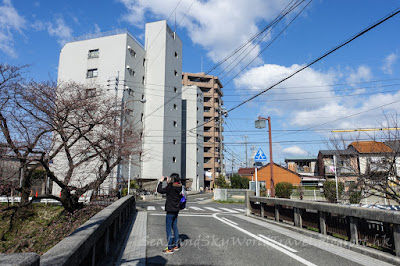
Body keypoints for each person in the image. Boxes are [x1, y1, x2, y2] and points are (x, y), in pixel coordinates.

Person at [157, 173, 182, 254]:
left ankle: (170, 248)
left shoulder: (170, 187)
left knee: (168, 228)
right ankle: (176, 245)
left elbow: (159, 190)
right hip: (176, 210)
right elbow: (172, 190)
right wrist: (169, 183)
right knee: (175, 227)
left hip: (170, 210)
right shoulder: (180, 187)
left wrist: (161, 181)